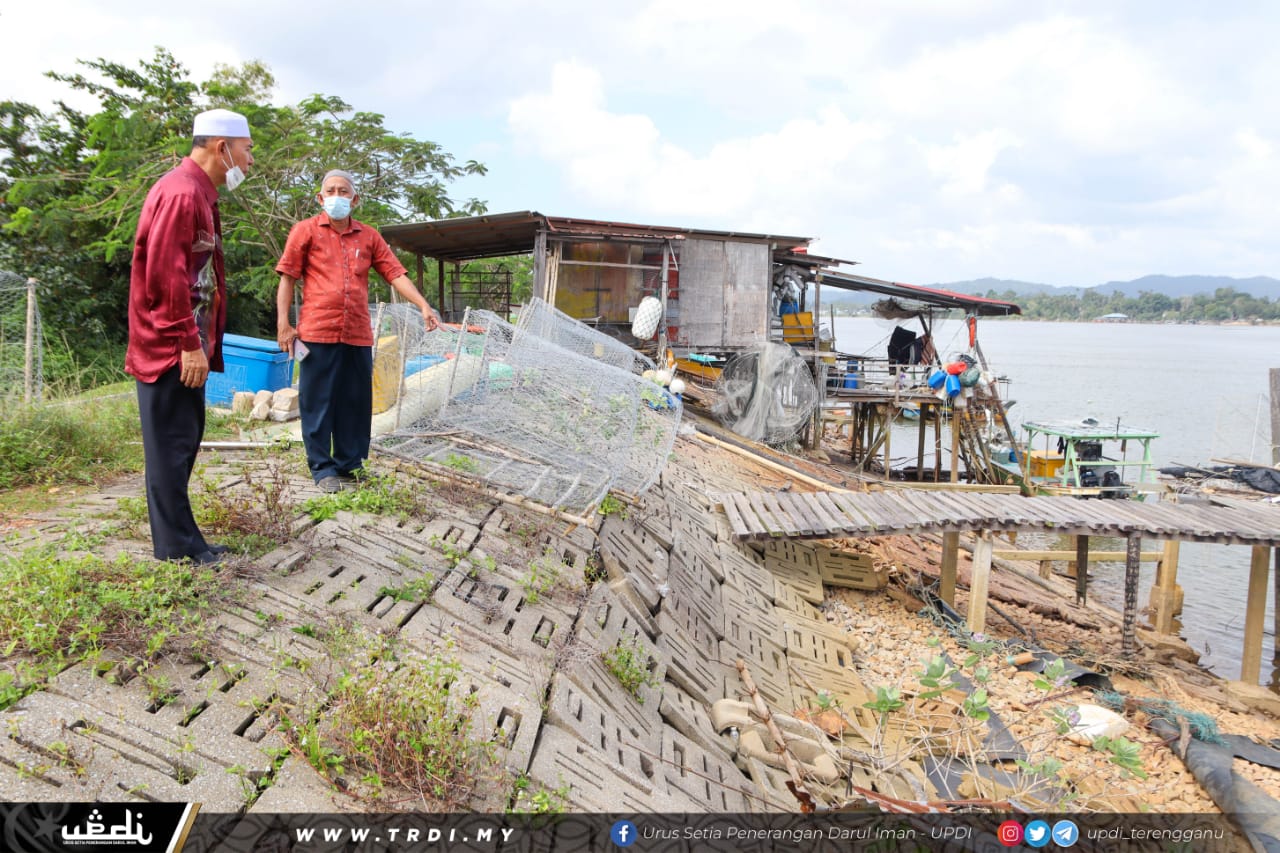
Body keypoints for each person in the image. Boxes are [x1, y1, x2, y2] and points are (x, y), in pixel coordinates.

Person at [125, 108, 254, 565]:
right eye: (246, 149)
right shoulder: (182, 194)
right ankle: (177, 550)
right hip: (168, 348)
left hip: (183, 345)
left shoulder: (199, 193)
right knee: (170, 448)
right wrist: (186, 343)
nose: (249, 161)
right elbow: (165, 278)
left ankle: (186, 540)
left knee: (181, 444)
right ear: (223, 148)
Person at [275, 170, 440, 493]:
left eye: (344, 191)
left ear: (355, 199)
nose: (337, 196)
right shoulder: (305, 231)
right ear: (321, 199)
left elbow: (395, 273)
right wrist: (284, 324)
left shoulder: (368, 236)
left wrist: (423, 305)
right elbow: (287, 277)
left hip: (357, 333)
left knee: (354, 401)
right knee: (318, 401)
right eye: (331, 191)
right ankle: (322, 469)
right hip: (316, 331)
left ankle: (350, 464)